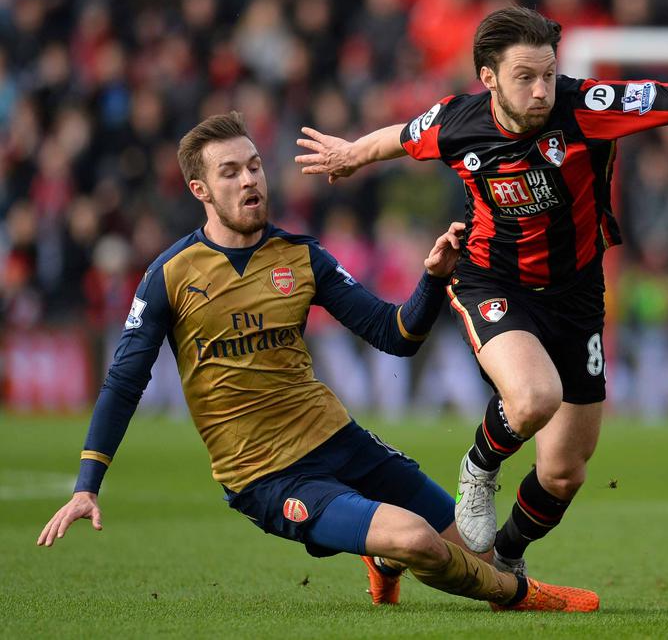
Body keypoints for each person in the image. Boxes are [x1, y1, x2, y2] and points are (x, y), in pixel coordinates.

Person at [296, 6, 668, 574]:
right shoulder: (456, 122)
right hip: (493, 280)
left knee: (565, 470)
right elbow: (400, 136)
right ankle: (479, 467)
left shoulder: (588, 107)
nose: (541, 91)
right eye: (524, 78)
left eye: (548, 74)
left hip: (578, 294)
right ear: (488, 79)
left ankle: (507, 557)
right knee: (533, 398)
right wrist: (350, 154)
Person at [36, 112, 598, 614]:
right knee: (417, 541)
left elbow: (395, 334)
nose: (250, 179)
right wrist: (88, 484)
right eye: (230, 172)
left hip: (340, 439)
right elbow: (124, 380)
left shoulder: (301, 257)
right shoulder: (170, 274)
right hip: (267, 475)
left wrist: (431, 278)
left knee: (476, 547)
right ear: (199, 189)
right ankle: (524, 598)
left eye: (254, 166)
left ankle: (386, 561)